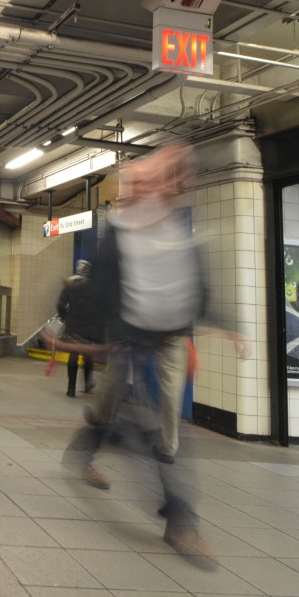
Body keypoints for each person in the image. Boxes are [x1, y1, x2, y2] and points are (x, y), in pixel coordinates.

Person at [65, 143, 246, 562]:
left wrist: (219, 328)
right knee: (110, 408)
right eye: (150, 178)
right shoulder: (120, 229)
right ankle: (85, 449)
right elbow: (101, 289)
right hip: (127, 338)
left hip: (167, 338)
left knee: (167, 428)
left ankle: (182, 519)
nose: (161, 185)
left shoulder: (178, 228)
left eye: (169, 177)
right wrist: (79, 335)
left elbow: (194, 285)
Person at [56, 260, 101, 397]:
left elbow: (60, 305)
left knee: (73, 355)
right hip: (89, 327)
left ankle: (71, 389)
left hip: (73, 326)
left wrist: (66, 318)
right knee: (88, 356)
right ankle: (87, 384)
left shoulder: (70, 285)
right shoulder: (94, 287)